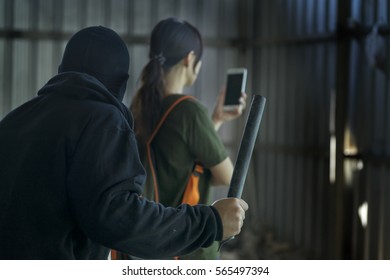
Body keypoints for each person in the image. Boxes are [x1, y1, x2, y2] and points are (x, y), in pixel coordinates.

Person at [0, 26, 248, 260]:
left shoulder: (15, 119)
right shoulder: (102, 119)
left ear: (62, 69)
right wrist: (210, 222)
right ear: (120, 80)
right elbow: (118, 216)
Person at [130, 18, 247, 259]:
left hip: (152, 248)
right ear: (189, 58)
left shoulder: (140, 108)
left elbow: (180, 164)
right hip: (188, 249)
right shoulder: (189, 112)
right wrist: (210, 120)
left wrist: (215, 119)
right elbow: (225, 175)